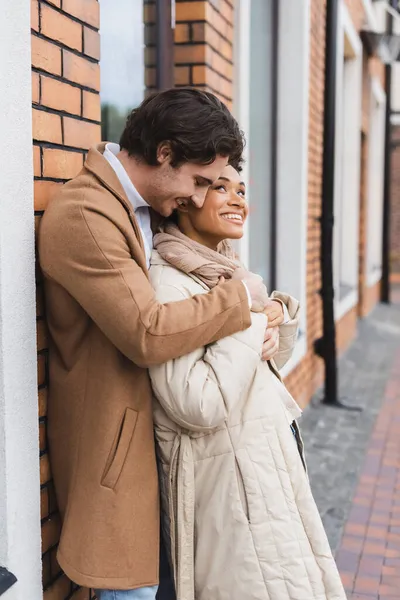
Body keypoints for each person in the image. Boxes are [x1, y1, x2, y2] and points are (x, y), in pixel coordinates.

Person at [38, 89, 280, 600]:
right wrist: (241, 300)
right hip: (120, 468)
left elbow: (206, 290)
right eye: (198, 181)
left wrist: (269, 313)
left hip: (175, 464)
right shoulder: (85, 214)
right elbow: (146, 332)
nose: (198, 198)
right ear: (164, 152)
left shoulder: (149, 211)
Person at [148, 164, 347, 600]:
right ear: (187, 199)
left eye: (242, 189)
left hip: (261, 465)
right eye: (221, 187)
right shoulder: (168, 281)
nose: (239, 200)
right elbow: (197, 402)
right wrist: (250, 319)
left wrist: (277, 316)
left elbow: (260, 366)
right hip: (228, 489)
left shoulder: (223, 267)